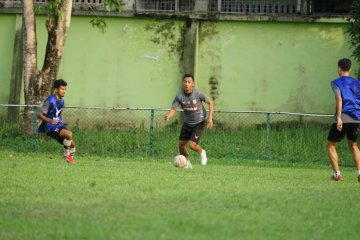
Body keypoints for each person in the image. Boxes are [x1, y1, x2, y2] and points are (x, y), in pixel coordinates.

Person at [165, 73, 214, 168]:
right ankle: (187, 163)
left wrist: (210, 118)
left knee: (192, 145)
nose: (186, 84)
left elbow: (210, 102)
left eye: (189, 82)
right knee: (181, 145)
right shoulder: (179, 96)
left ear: (193, 84)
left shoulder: (198, 94)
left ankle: (202, 152)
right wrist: (169, 116)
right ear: (182, 83)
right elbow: (174, 108)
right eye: (185, 82)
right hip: (187, 122)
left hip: (199, 122)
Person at [327, 58, 360, 181]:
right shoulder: (358, 83)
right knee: (354, 145)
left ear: (339, 69)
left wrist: (339, 118)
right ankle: (359, 172)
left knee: (331, 144)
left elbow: (339, 99)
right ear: (350, 69)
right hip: (357, 117)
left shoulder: (336, 82)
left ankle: (337, 175)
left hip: (343, 116)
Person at [38, 79, 76, 164]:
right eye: (62, 89)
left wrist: (62, 122)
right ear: (56, 89)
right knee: (69, 134)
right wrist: (50, 120)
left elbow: (59, 113)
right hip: (50, 127)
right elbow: (39, 115)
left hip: (58, 125)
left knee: (72, 144)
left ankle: (70, 159)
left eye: (65, 89)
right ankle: (66, 156)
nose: (64, 91)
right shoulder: (50, 100)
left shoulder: (62, 100)